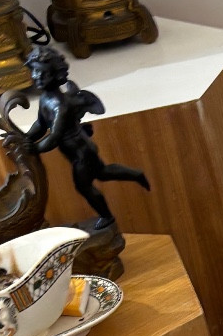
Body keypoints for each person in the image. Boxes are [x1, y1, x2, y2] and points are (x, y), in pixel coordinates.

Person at [23, 45, 149, 227]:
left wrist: (34, 148)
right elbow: (41, 124)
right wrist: (27, 137)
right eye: (35, 71)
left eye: (43, 73)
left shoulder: (60, 105)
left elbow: (54, 137)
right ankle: (137, 174)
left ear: (56, 75)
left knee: (83, 186)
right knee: (103, 173)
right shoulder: (45, 99)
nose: (37, 77)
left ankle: (107, 216)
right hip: (81, 150)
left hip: (82, 153)